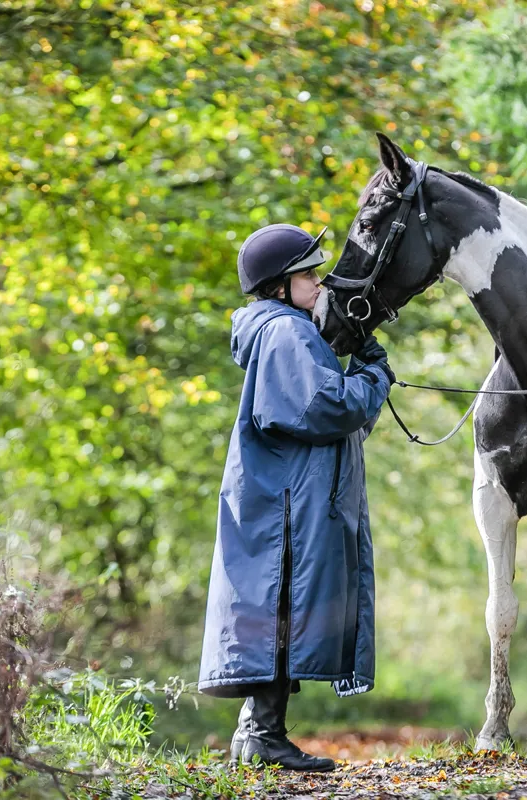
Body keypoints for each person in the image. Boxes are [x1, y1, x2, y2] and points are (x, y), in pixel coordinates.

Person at [198, 223, 394, 771]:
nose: (319, 281)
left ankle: (257, 734)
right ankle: (262, 735)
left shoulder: (286, 330)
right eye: (309, 273)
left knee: (282, 609)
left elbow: (336, 420)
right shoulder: (286, 331)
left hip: (290, 498)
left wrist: (363, 375)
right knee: (283, 609)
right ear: (280, 284)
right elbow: (324, 409)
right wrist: (375, 374)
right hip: (291, 505)